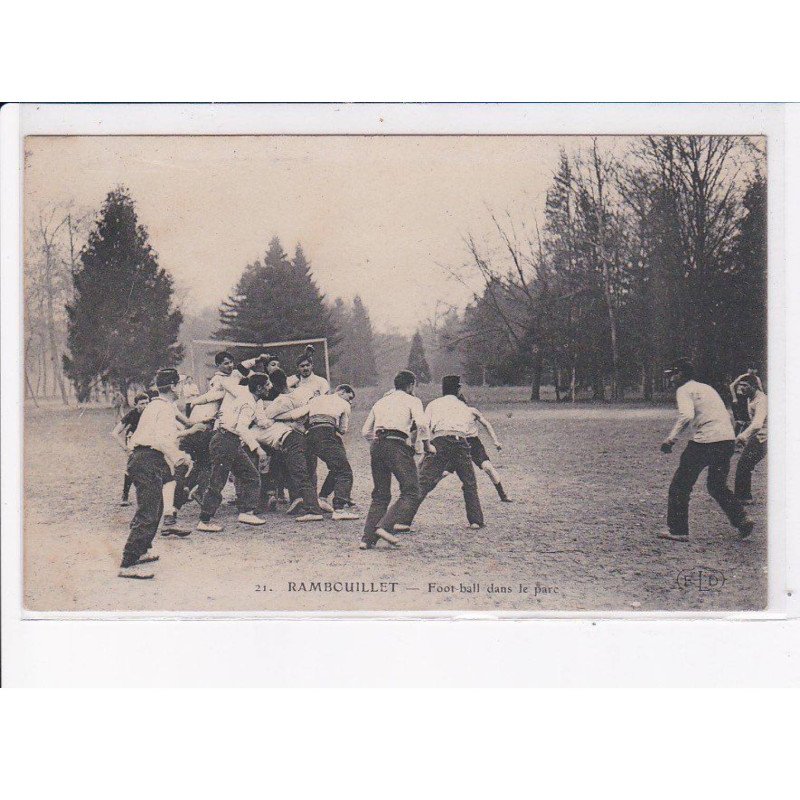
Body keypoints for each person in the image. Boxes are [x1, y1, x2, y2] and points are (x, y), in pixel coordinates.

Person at [118, 369, 205, 579]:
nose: (183, 388)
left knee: (155, 509)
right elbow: (161, 440)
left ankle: (142, 551)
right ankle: (127, 564)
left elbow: (164, 436)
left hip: (148, 458)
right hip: (146, 459)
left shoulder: (158, 405)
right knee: (148, 511)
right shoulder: (163, 408)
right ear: (173, 386)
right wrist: (179, 457)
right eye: (181, 384)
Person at [659, 358, 753, 542]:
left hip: (705, 442)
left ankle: (678, 530)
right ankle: (741, 519)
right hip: (726, 440)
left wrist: (670, 439)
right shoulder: (707, 388)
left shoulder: (684, 390)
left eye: (673, 375)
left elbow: (686, 415)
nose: (671, 379)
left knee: (680, 485)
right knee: (717, 485)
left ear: (681, 374)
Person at [399, 375, 485, 533]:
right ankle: (476, 521)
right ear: (458, 389)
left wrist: (422, 445)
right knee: (469, 482)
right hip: (461, 442)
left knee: (424, 481)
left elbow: (424, 425)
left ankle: (404, 520)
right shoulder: (463, 406)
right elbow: (467, 429)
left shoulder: (434, 404)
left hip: (440, 441)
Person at [360, 369, 433, 549]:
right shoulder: (412, 400)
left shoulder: (380, 401)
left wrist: (378, 444)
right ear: (410, 386)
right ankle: (385, 527)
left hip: (377, 444)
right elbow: (422, 424)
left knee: (380, 495)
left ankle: (367, 539)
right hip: (397, 445)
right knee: (411, 491)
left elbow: (365, 431)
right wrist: (426, 446)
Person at [196, 372, 271, 532]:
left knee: (251, 475)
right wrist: (258, 449)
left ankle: (247, 512)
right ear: (259, 388)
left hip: (230, 441)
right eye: (267, 384)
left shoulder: (250, 398)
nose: (270, 386)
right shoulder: (248, 403)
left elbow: (257, 419)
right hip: (225, 441)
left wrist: (266, 422)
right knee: (217, 482)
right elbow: (241, 427)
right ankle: (204, 520)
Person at [250, 369, 325, 522]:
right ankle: (303, 500)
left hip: (292, 439)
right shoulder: (303, 391)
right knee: (305, 471)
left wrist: (277, 416)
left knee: (299, 473)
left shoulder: (278, 404)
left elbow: (265, 418)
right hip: (307, 434)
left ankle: (313, 509)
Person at [304, 384, 359, 520]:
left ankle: (322, 498)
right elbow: (342, 430)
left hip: (309, 435)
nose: (350, 401)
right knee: (344, 472)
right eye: (349, 397)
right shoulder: (343, 404)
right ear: (341, 392)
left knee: (336, 467)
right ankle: (339, 509)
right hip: (326, 434)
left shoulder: (315, 399)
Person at [458, 391, 511, 502]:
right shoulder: (450, 415)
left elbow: (486, 424)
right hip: (458, 443)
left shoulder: (472, 411)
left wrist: (495, 441)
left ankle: (502, 494)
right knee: (444, 471)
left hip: (474, 444)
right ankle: (422, 490)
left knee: (488, 467)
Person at [733, 374, 767, 504]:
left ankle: (743, 497)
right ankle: (742, 496)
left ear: (753, 386)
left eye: (745, 385)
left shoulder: (761, 400)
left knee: (744, 464)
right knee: (745, 464)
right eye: (741, 385)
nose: (742, 388)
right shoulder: (750, 398)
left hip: (765, 438)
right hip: (758, 436)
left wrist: (742, 436)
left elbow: (757, 424)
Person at [111, 392, 149, 506]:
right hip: (133, 441)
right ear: (135, 405)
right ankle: (125, 495)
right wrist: (126, 448)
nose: (145, 406)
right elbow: (115, 433)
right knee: (132, 467)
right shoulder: (132, 415)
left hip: (148, 441)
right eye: (142, 403)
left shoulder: (151, 414)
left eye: (147, 403)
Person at [730, 369, 763, 435]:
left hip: (748, 398)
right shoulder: (743, 377)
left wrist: (762, 398)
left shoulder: (756, 378)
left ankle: (744, 435)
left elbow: (760, 388)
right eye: (750, 370)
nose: (752, 372)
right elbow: (731, 386)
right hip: (740, 398)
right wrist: (734, 398)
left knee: (748, 420)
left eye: (754, 370)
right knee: (740, 420)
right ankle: (735, 436)